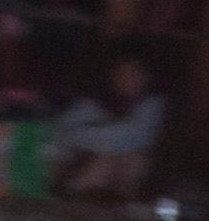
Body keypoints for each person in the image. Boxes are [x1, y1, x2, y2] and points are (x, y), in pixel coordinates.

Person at [54, 54, 166, 199]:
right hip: (80, 165)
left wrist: (86, 138)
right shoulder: (93, 102)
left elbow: (135, 137)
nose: (130, 78)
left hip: (134, 177)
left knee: (130, 160)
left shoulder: (153, 104)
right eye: (124, 72)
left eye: (136, 73)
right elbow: (61, 130)